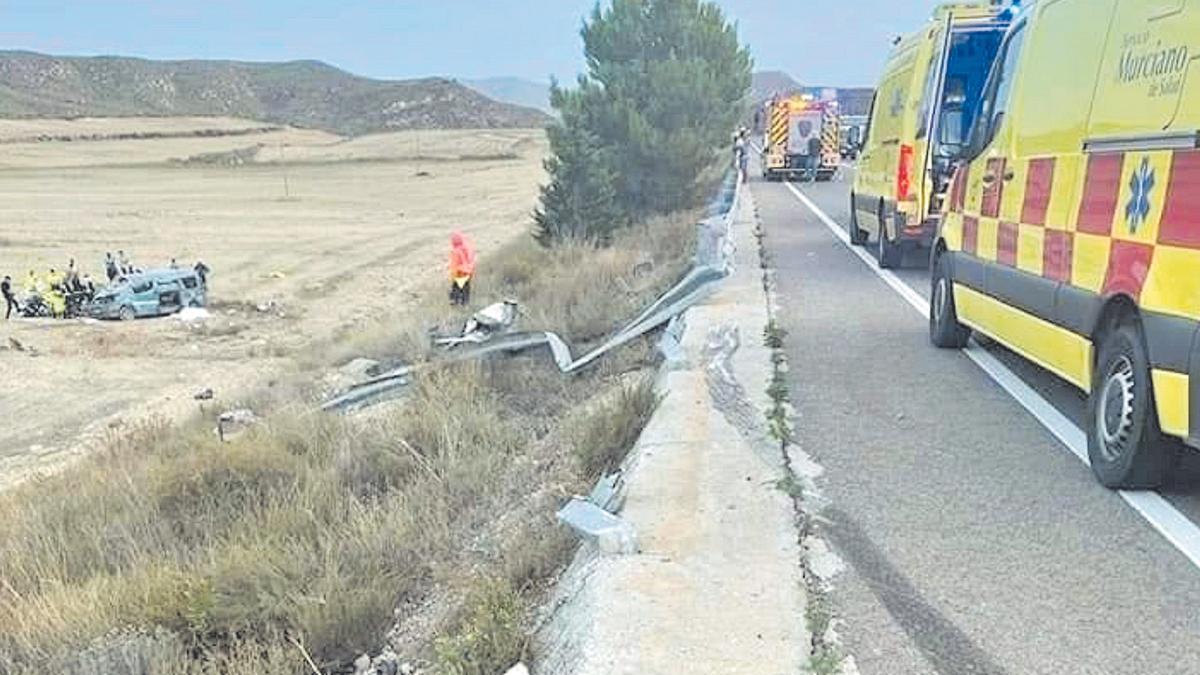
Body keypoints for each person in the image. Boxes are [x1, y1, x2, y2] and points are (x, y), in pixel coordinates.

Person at [448, 232, 476, 306]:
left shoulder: (455, 251)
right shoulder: (467, 248)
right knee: (466, 289)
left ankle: (455, 304)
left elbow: (454, 265)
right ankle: (465, 303)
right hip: (468, 272)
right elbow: (472, 259)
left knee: (456, 290)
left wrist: (453, 276)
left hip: (460, 273)